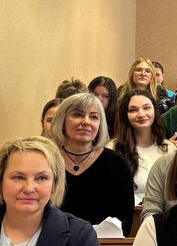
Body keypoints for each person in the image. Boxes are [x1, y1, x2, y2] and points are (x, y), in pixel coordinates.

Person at [53, 92, 136, 233]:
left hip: (101, 245)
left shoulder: (116, 164)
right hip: (52, 242)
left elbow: (124, 220)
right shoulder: (47, 161)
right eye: (77, 115)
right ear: (62, 121)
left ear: (100, 125)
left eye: (93, 117)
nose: (86, 122)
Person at [111, 88, 174, 208]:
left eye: (146, 108)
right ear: (125, 115)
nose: (141, 114)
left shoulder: (169, 149)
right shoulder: (113, 149)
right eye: (133, 110)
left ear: (155, 111)